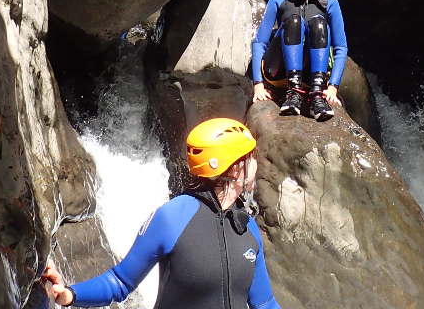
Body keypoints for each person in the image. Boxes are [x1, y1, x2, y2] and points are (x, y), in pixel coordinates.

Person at [42, 118, 280, 309]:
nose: (256, 164)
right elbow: (120, 282)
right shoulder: (173, 217)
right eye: (251, 157)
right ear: (235, 167)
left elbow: (264, 302)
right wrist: (70, 294)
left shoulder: (246, 226)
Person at [250, 0, 347, 121]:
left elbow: (341, 47)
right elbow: (259, 43)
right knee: (294, 21)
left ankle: (317, 94)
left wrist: (333, 86)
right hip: (278, 71)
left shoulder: (330, 2)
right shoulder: (278, 0)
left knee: (319, 23)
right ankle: (293, 92)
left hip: (311, 75)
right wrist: (258, 84)